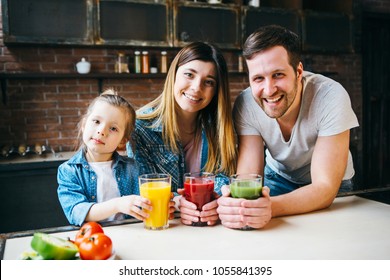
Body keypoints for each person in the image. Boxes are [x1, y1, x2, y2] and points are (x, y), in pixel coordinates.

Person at [217, 25, 359, 229]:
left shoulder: (331, 96)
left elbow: (324, 188)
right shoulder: (246, 103)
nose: (268, 89)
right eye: (258, 78)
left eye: (278, 75)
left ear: (298, 71)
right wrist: (238, 204)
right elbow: (248, 177)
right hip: (278, 178)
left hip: (332, 186)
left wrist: (266, 208)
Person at [127, 42, 237, 226]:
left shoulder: (220, 129)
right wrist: (177, 203)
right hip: (164, 228)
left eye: (208, 82)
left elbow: (222, 177)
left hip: (210, 229)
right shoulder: (140, 128)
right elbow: (143, 190)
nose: (196, 87)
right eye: (189, 75)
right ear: (174, 75)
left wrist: (218, 200)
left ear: (216, 90)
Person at [57, 89, 174, 226]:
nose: (101, 131)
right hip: (93, 240)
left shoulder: (133, 168)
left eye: (113, 128)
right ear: (84, 125)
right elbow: (76, 212)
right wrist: (118, 204)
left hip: (131, 236)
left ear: (123, 141)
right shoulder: (69, 171)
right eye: (96, 121)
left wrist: (165, 205)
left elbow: (144, 206)